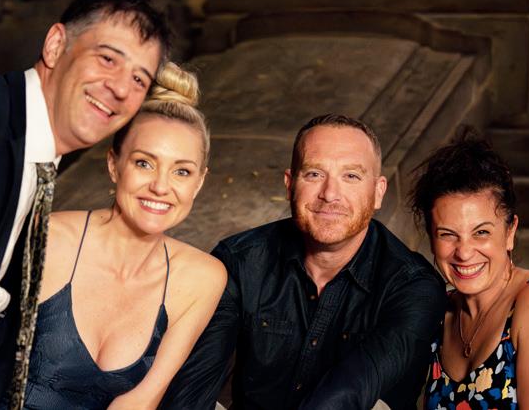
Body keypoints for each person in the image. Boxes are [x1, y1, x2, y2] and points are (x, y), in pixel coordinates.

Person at [0, 0, 169, 409]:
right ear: (55, 45)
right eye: (108, 58)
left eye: (139, 79)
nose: (120, 88)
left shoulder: (36, 163)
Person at [161, 113, 447, 410]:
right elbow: (193, 387)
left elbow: (348, 396)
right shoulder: (239, 262)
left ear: (378, 192)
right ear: (290, 184)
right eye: (314, 174)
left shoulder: (413, 286)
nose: (330, 194)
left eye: (351, 176)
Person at [0, 62, 227, 410]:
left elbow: (142, 401)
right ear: (113, 164)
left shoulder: (202, 278)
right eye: (144, 163)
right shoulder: (50, 236)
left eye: (182, 171)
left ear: (198, 183)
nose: (161, 186)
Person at [410, 136, 529, 409]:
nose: (464, 252)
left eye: (481, 232)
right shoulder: (440, 312)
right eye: (448, 234)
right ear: (431, 239)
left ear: (510, 232)